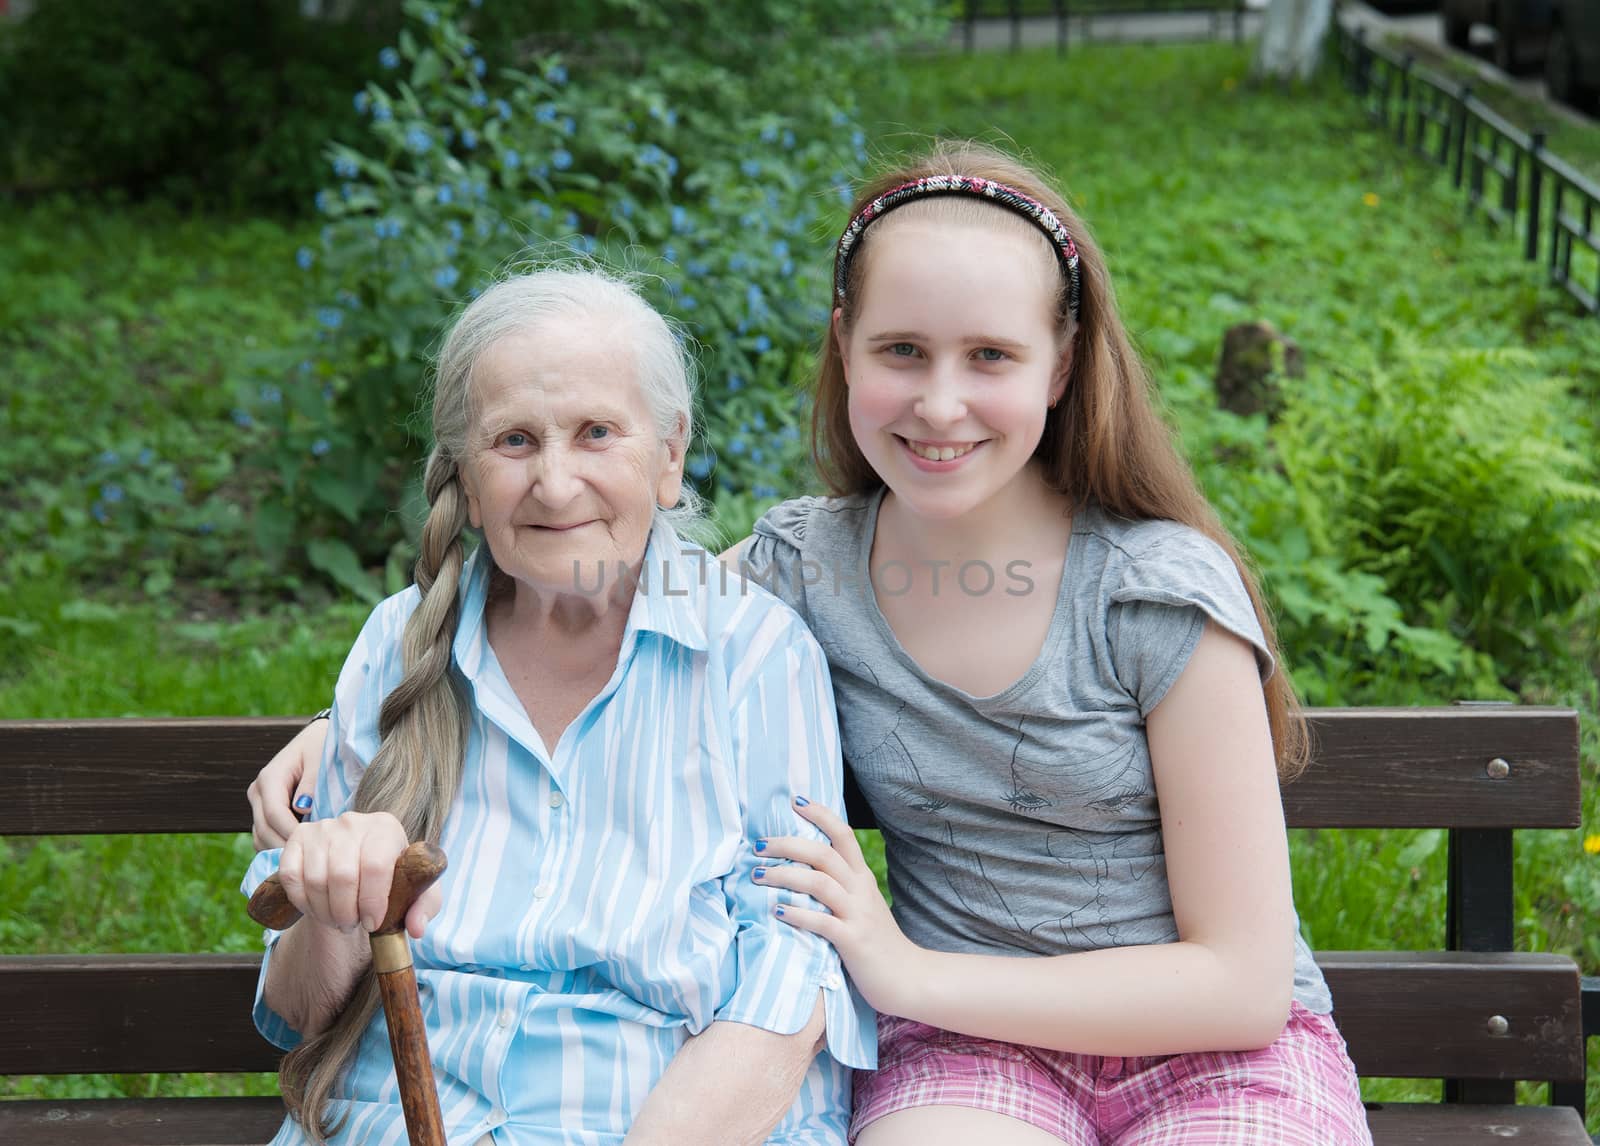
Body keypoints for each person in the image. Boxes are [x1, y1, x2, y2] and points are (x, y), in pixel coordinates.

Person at [254, 141, 1372, 1144]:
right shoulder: (801, 567)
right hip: (975, 1066)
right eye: (901, 351)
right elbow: (596, 594)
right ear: (844, 350)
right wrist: (353, 726)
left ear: (1063, 365)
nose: (939, 405)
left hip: (1208, 1054)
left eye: (990, 356)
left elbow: (1240, 985)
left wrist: (903, 972)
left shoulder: (1155, 597)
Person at [242, 267, 872, 1146]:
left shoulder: (752, 654)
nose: (556, 483)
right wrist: (334, 898)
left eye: (597, 433)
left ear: (670, 453)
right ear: (464, 466)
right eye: (513, 442)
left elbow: (793, 971)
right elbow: (301, 1010)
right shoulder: (399, 648)